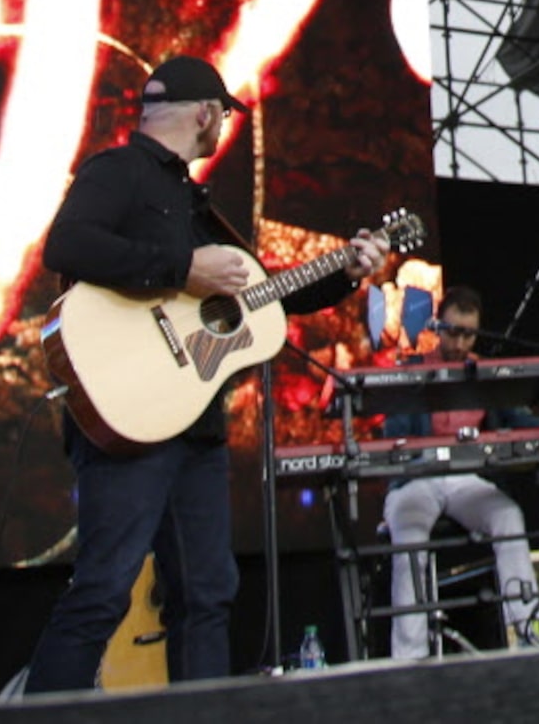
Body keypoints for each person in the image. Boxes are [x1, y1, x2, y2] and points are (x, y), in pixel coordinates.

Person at [23, 55, 387, 690]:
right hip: (127, 416)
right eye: (223, 115)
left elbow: (266, 294)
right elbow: (68, 245)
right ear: (204, 113)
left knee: (207, 594)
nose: (223, 127)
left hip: (195, 429)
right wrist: (180, 270)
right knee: (104, 590)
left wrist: (347, 269)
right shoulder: (117, 171)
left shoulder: (198, 203)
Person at [379, 286, 539, 659]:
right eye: (453, 332)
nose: (460, 342)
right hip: (417, 480)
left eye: (468, 334)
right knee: (409, 535)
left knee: (508, 516)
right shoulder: (414, 370)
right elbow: (392, 433)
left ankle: (527, 633)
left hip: (467, 481)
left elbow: (521, 416)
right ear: (437, 326)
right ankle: (410, 658)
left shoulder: (485, 372)